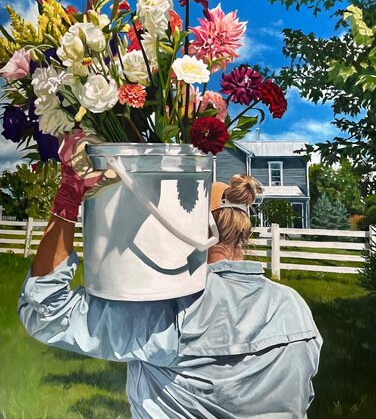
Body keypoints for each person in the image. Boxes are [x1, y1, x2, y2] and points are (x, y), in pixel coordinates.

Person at [18, 132, 322, 419]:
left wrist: (69, 199)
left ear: (195, 228)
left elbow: (46, 311)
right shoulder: (294, 307)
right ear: (246, 231)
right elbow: (301, 397)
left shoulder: (174, 309)